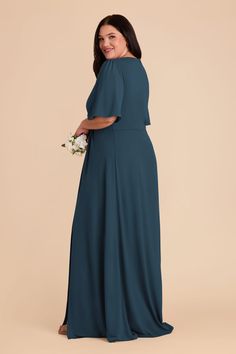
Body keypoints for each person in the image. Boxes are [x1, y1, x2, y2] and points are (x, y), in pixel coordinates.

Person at [58, 14, 174, 343]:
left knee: (97, 228)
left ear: (126, 36)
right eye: (100, 39)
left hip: (113, 157)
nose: (105, 44)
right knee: (131, 232)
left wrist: (83, 124)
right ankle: (132, 312)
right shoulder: (138, 67)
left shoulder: (113, 68)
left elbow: (107, 118)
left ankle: (94, 316)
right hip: (138, 156)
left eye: (111, 36)